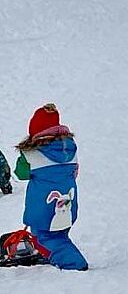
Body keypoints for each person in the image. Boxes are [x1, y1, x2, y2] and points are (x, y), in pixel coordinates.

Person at [14, 104, 87, 271]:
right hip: (67, 203)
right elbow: (74, 173)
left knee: (46, 237)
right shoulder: (70, 150)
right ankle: (50, 253)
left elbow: (21, 173)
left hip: (44, 207)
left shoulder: (32, 154)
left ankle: (74, 263)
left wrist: (24, 157)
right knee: (58, 234)